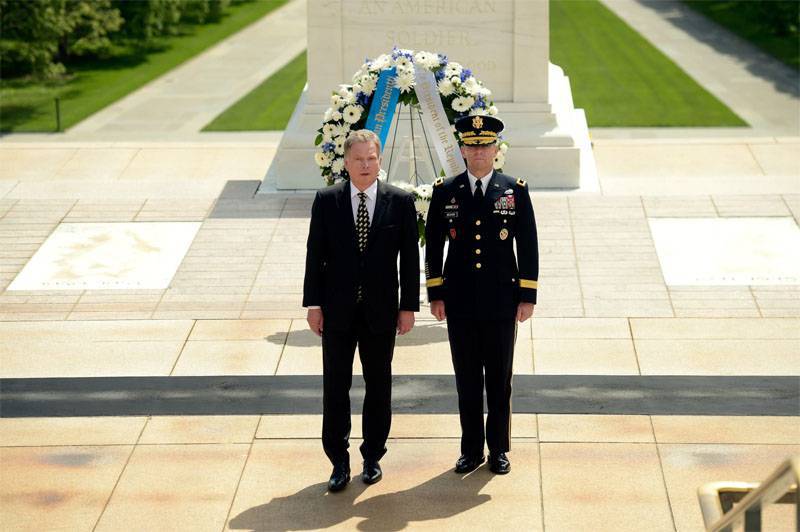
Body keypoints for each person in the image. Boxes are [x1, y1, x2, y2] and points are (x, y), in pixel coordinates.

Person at [303, 129, 420, 492]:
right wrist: (313, 304)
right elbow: (314, 256)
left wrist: (408, 308)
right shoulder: (327, 200)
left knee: (379, 385)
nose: (366, 165)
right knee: (335, 387)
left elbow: (410, 261)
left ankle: (372, 456)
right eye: (358, 160)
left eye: (372, 158)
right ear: (346, 163)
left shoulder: (399, 202)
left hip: (380, 312)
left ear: (380, 160)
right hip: (336, 312)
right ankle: (338, 460)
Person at [424, 115, 539, 475]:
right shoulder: (446, 190)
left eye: (485, 145)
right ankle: (470, 449)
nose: (479, 152)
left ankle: (499, 449)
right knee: (467, 379)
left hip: (502, 301)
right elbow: (433, 248)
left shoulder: (513, 190)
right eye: (472, 146)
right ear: (462, 149)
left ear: (496, 150)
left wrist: (527, 295)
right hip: (459, 301)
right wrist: (436, 294)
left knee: (499, 379)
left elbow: (529, 245)